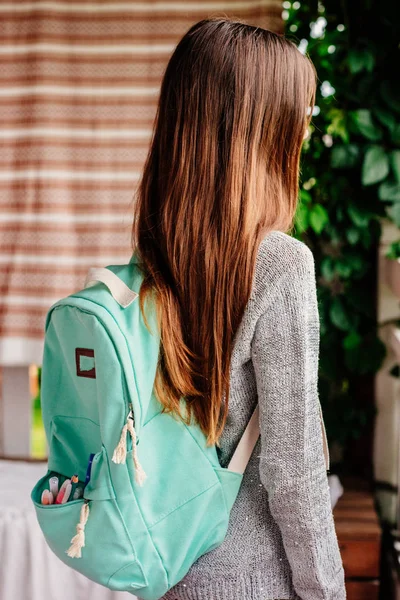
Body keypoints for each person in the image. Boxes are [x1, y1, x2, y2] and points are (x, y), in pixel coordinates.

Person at [131, 17, 346, 600]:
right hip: (252, 583)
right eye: (297, 118)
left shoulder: (150, 258)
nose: (303, 133)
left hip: (166, 572)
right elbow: (295, 474)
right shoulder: (280, 266)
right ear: (261, 130)